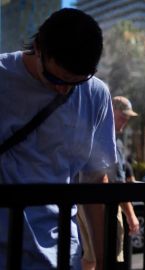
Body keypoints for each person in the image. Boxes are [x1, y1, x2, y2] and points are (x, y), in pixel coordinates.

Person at [0, 8, 116, 270]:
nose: (63, 89)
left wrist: (106, 260)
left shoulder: (96, 94)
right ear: (38, 48)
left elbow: (95, 182)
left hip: (64, 256)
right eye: (55, 78)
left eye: (76, 82)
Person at [77, 96, 140, 270]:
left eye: (128, 117)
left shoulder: (96, 135)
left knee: (90, 258)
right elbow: (116, 183)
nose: (125, 121)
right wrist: (131, 215)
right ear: (111, 111)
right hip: (104, 206)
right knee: (107, 258)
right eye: (123, 116)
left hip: (86, 203)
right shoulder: (108, 139)